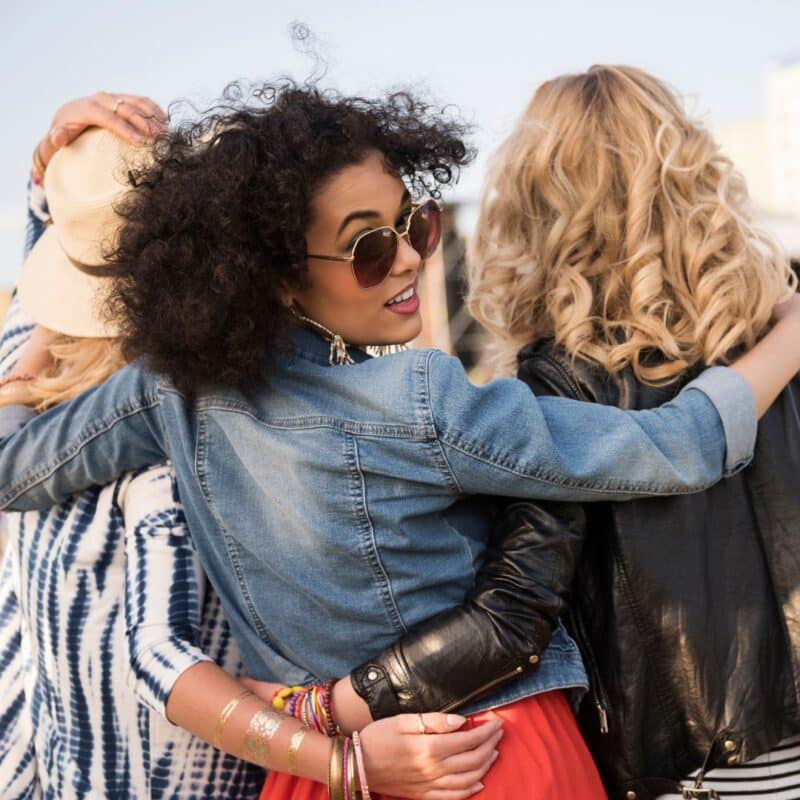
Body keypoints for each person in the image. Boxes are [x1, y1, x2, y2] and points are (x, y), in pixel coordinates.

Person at [0, 80, 797, 798]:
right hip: (481, 755)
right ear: (272, 273)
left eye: (414, 221)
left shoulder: (170, 392)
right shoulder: (417, 400)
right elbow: (681, 447)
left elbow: (11, 468)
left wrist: (36, 338)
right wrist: (790, 334)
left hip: (317, 766)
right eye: (368, 247)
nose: (412, 255)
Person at [0, 96, 501, 800]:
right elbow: (158, 661)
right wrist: (55, 173)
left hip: (90, 771)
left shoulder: (76, 407)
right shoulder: (169, 413)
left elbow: (160, 658)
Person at [463, 64, 800, 799]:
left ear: (534, 199)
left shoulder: (549, 386)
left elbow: (520, 608)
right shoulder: (778, 333)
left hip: (686, 767)